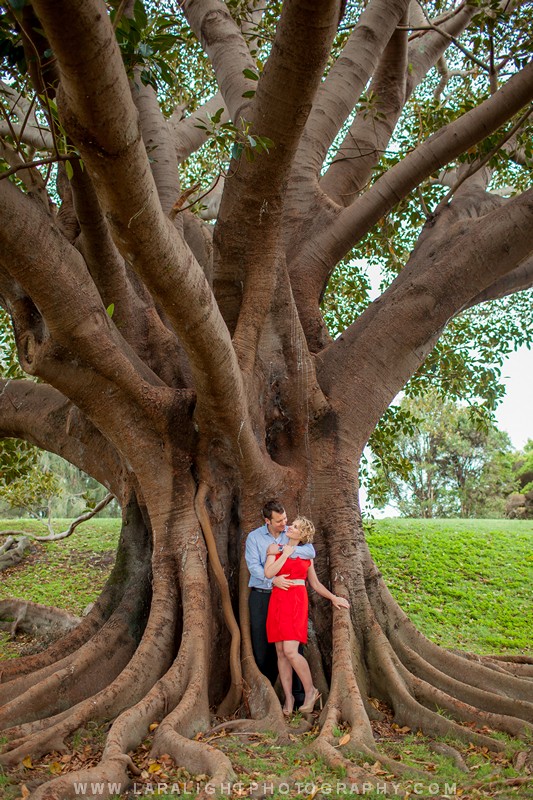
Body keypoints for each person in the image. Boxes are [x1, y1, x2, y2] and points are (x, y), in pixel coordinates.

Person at [265, 517, 349, 716]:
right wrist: (284, 555)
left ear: (302, 534)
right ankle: (289, 698)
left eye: (294, 527)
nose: (289, 527)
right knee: (280, 652)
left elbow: (316, 584)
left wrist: (333, 597)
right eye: (291, 524)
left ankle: (310, 691)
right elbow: (269, 573)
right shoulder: (274, 548)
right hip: (277, 602)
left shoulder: (307, 556)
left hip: (296, 601)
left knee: (291, 650)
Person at [245, 500, 316, 704]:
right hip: (263, 593)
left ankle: (300, 694)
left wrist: (284, 550)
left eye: (285, 519)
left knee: (292, 648)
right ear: (267, 520)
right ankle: (268, 695)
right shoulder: (254, 538)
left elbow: (309, 552)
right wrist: (272, 579)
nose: (284, 524)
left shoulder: (290, 534)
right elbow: (253, 566)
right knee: (263, 647)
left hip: (288, 596)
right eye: (279, 521)